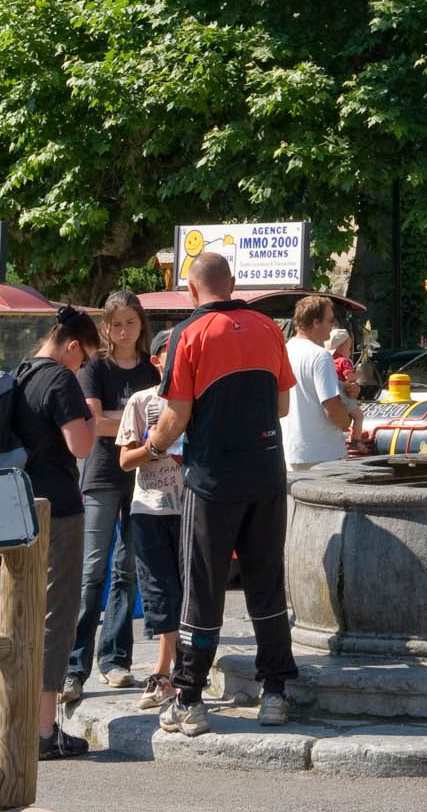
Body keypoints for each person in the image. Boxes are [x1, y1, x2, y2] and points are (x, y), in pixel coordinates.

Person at [147, 249, 298, 736]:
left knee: (203, 586)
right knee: (266, 582)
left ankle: (189, 699)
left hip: (213, 479)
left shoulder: (187, 335)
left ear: (191, 289)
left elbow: (177, 416)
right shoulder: (270, 328)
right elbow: (281, 405)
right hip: (267, 473)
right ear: (232, 283)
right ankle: (275, 691)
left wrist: (150, 445)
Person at [11, 305, 101, 759]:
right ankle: (45, 733)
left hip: (18, 508)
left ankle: (20, 718)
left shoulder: (23, 372)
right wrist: (89, 415)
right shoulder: (61, 380)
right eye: (83, 358)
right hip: (58, 512)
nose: (82, 367)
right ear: (71, 346)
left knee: (23, 614)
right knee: (57, 617)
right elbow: (80, 446)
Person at [63, 289, 155, 705]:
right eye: (116, 324)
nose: (122, 331)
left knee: (128, 571)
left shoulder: (151, 371)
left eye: (130, 323)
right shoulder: (95, 368)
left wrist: (120, 421)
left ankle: (115, 659)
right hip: (101, 475)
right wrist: (134, 419)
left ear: (140, 325)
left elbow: (165, 419)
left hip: (141, 476)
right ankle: (73, 666)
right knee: (92, 572)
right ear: (106, 327)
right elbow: (94, 423)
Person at [116, 330, 184, 711]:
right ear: (156, 359)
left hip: (190, 505)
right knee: (158, 592)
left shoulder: (197, 401)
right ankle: (166, 672)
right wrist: (154, 447)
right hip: (149, 508)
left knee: (188, 590)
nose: (171, 356)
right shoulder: (141, 401)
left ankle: (169, 673)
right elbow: (125, 460)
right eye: (165, 351)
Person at [282, 295, 356, 474]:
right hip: (324, 455)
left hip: (291, 452)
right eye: (330, 320)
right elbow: (330, 406)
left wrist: (341, 387)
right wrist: (348, 421)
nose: (332, 326)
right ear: (316, 322)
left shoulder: (284, 350)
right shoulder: (320, 356)